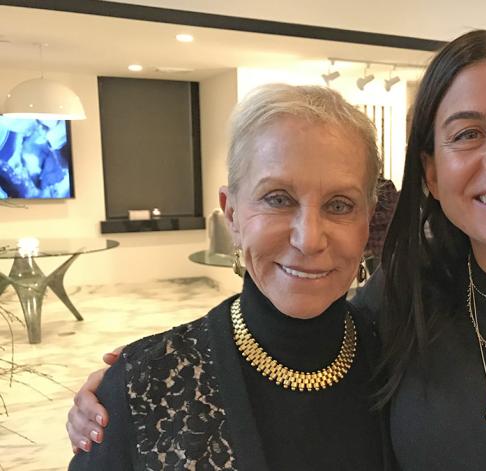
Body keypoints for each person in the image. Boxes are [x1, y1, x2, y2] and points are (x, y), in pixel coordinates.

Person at [68, 27, 486, 470]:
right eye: (465, 134)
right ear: (429, 171)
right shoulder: (399, 310)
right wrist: (133, 388)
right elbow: (283, 339)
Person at [68, 84, 391, 469]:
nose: (309, 239)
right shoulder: (145, 382)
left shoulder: (402, 361)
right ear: (232, 213)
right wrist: (124, 386)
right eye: (278, 199)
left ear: (367, 219)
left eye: (340, 205)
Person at [363, 175, 399, 275]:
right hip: (368, 248)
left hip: (382, 248)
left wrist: (363, 217)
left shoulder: (386, 186)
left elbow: (391, 214)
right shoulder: (360, 185)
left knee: (382, 282)